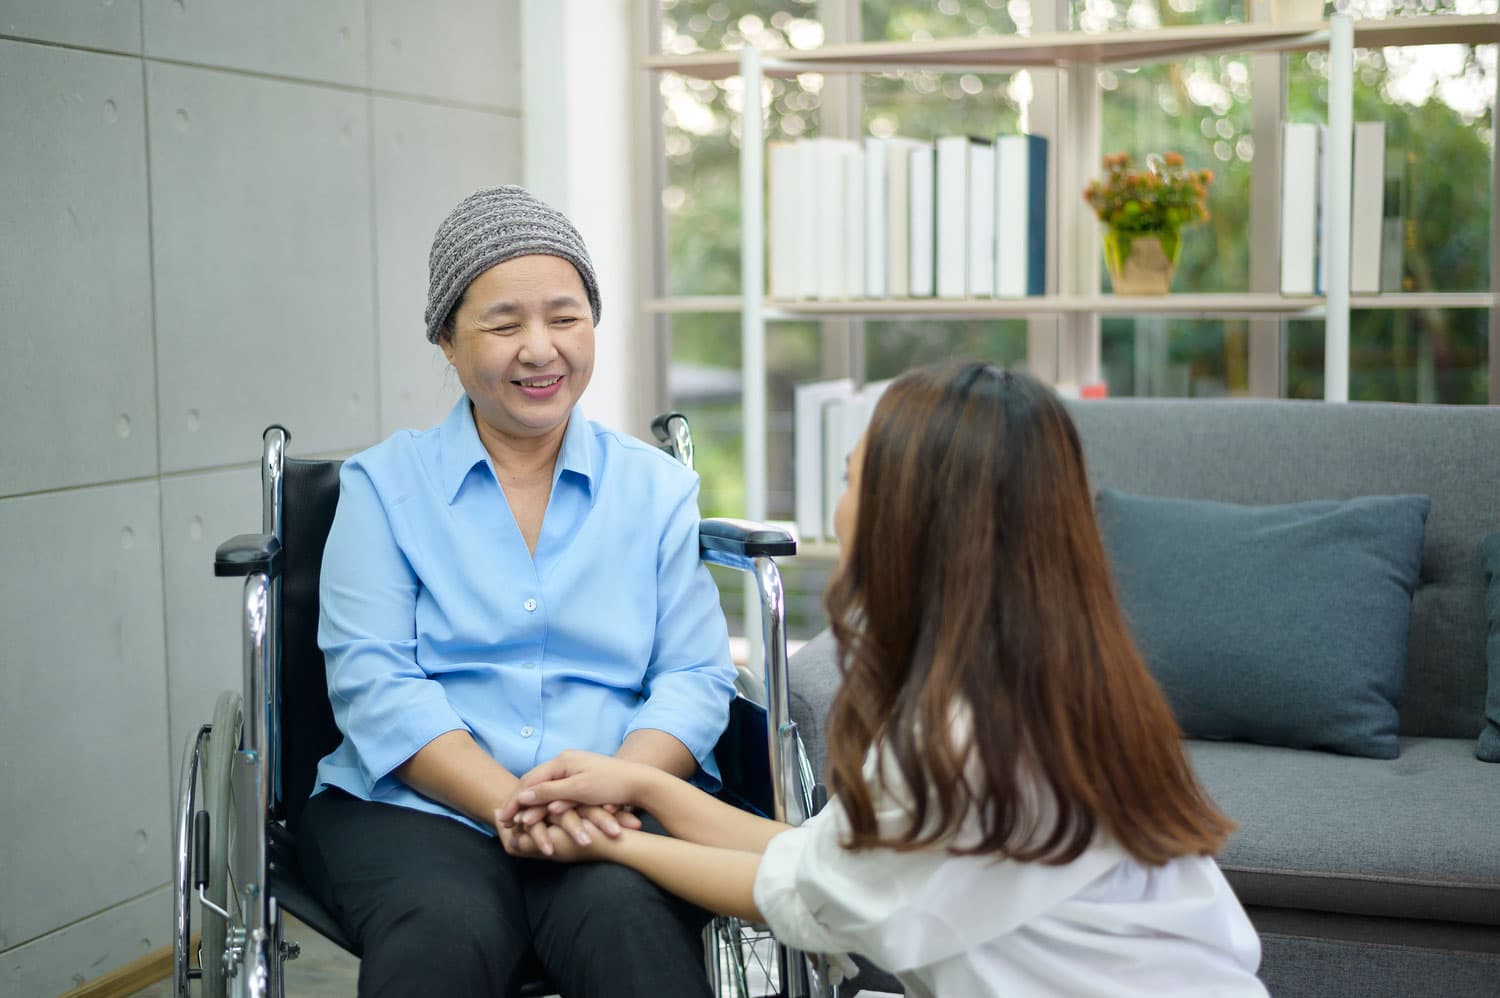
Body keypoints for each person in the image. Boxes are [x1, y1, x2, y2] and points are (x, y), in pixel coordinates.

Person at [497, 362, 1269, 997]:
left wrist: (608, 845)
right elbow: (819, 858)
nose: (840, 503)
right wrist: (646, 790)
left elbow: (806, 900)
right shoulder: (1048, 690)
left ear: (913, 518)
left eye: (851, 477)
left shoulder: (970, 744)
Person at [296, 185, 737, 997]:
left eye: (565, 318)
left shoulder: (655, 490)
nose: (542, 349)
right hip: (415, 810)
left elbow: (695, 677)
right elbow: (375, 683)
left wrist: (615, 792)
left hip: (617, 806)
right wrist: (517, 804)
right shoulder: (384, 488)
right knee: (442, 930)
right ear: (447, 341)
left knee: (630, 930)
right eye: (505, 325)